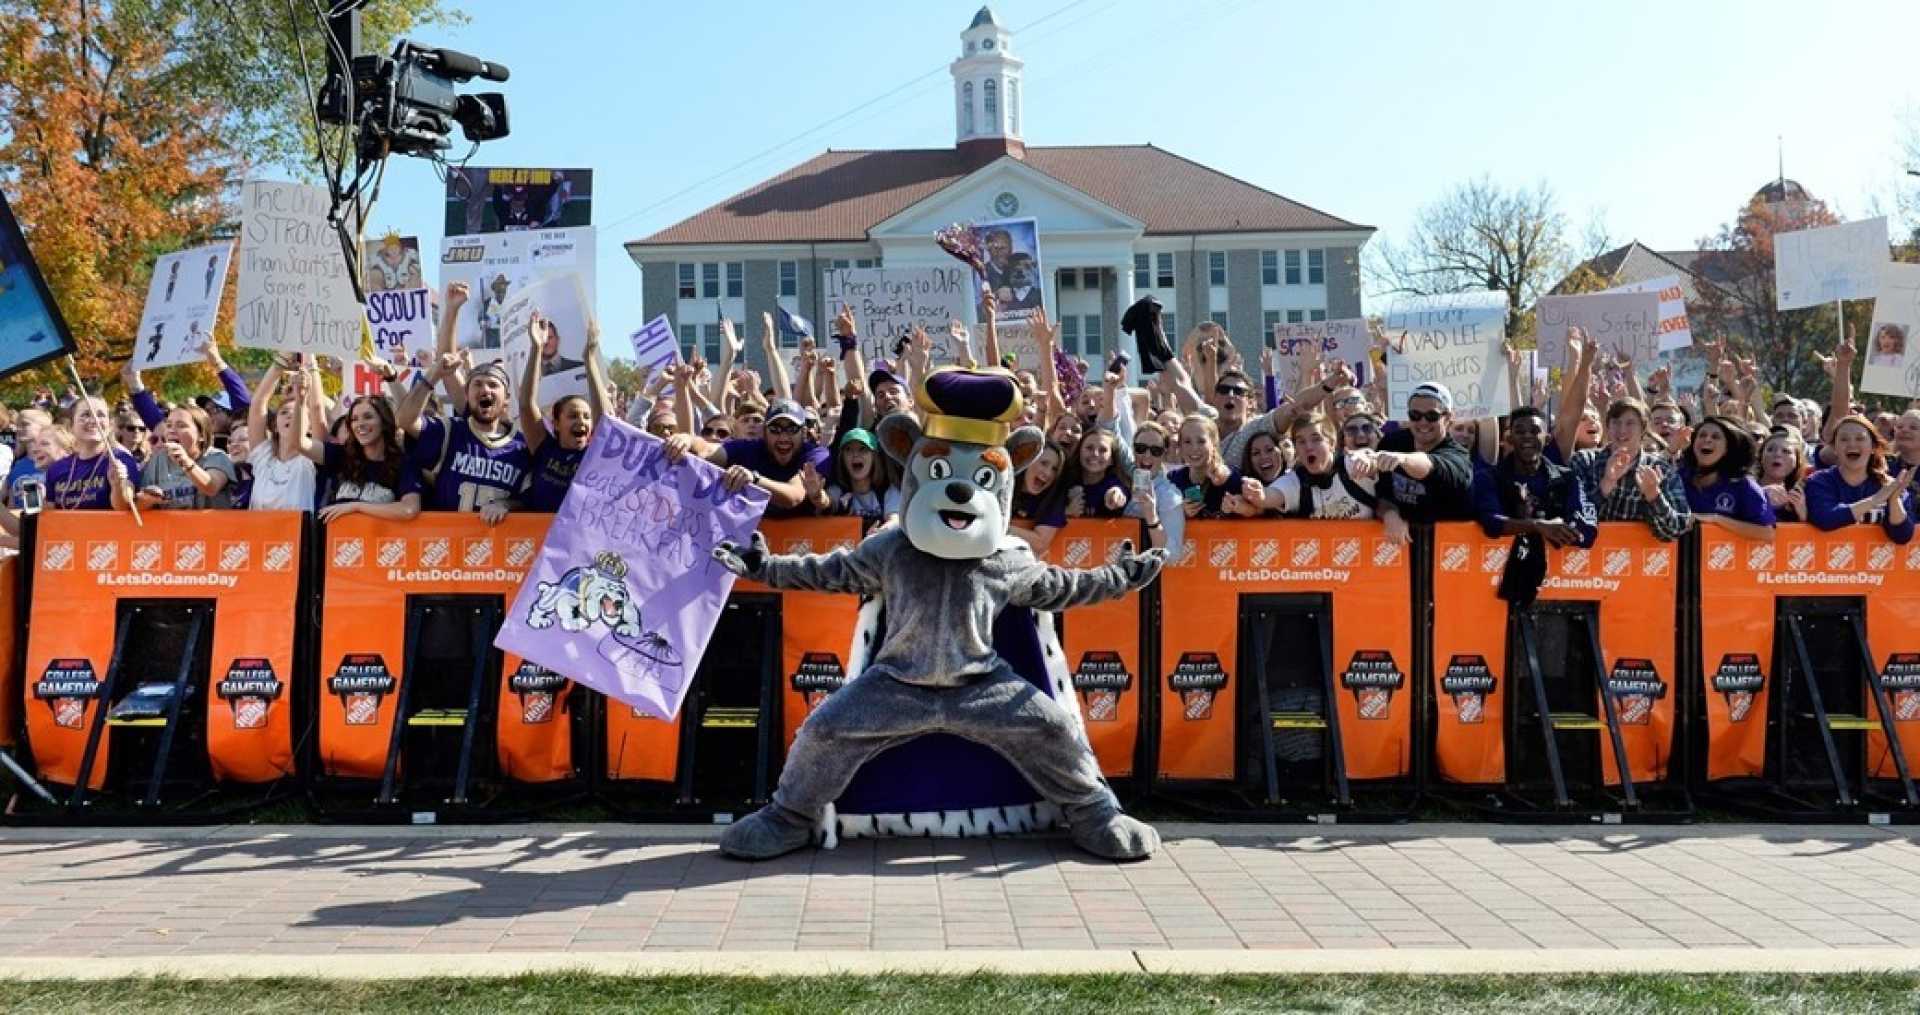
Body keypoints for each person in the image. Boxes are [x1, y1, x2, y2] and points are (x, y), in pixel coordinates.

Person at [399, 281, 531, 520]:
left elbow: (531, 500)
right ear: (467, 394)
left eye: (493, 385)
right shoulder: (450, 431)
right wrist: (451, 310)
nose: (485, 389)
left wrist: (508, 504)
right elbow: (405, 420)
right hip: (447, 550)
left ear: (506, 399)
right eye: (477, 384)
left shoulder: (522, 447)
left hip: (497, 554)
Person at [662, 398, 828, 519]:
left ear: (804, 433)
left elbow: (794, 496)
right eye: (775, 429)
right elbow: (708, 451)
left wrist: (753, 479)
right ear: (764, 432)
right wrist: (688, 440)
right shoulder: (749, 448)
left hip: (803, 547)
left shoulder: (816, 455)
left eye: (792, 429)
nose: (783, 437)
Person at [518, 310, 612, 513]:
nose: (582, 421)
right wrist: (537, 348)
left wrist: (589, 358)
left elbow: (606, 422)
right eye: (572, 416)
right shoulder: (544, 448)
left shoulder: (594, 454)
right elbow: (526, 405)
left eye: (587, 417)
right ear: (556, 423)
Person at [1567, 397, 1691, 541]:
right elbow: (1572, 519)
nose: (1622, 430)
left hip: (1640, 560)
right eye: (1616, 423)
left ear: (1643, 429)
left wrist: (1654, 496)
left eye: (1630, 423)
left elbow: (1676, 530)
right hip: (1586, 558)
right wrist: (1606, 484)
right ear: (1607, 427)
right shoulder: (1584, 461)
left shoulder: (1662, 470)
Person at [1472, 406, 1597, 548]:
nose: (1527, 436)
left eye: (1535, 431)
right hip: (1501, 568)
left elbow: (1586, 532)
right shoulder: (1489, 478)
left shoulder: (1568, 478)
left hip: (1553, 569)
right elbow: (1492, 522)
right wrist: (1538, 526)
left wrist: (1563, 529)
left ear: (1547, 439)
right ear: (1509, 438)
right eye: (1520, 432)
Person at [1353, 382, 1475, 524]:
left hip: (1447, 542)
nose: (1423, 422)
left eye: (1431, 416)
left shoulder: (1458, 456)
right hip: (1399, 541)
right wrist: (1390, 515)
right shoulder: (1393, 442)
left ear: (1448, 417)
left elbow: (1430, 465)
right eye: (1415, 415)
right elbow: (1383, 494)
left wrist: (1403, 459)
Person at [308, 395, 422, 523]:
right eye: (354, 419)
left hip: (380, 541)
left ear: (384, 422)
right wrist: (300, 400)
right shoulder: (342, 455)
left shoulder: (403, 463)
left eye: (368, 417)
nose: (360, 424)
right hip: (336, 541)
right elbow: (300, 443)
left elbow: (409, 509)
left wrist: (356, 506)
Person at [1248, 417, 1384, 521]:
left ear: (1332, 443)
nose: (1308, 447)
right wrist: (1259, 494)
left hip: (1369, 554)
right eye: (1301, 442)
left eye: (1316, 439)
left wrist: (1368, 460)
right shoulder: (1296, 482)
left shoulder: (1351, 465)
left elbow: (1369, 458)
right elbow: (1270, 495)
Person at [1804, 415, 1914, 542]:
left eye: (1860, 438)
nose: (1852, 444)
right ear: (1834, 448)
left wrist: (1894, 500)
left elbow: (1903, 536)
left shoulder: (1889, 485)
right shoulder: (1819, 481)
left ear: (1873, 447)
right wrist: (1875, 500)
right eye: (1844, 439)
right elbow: (1825, 518)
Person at [1678, 416, 1775, 539]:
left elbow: (1767, 533)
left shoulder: (1744, 485)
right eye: (1702, 435)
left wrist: (1716, 519)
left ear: (1727, 449)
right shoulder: (1679, 476)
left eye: (1716, 437)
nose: (1707, 439)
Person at [244, 357, 321, 512]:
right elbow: (258, 403)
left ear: (311, 427)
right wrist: (281, 361)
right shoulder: (263, 456)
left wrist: (310, 361)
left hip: (298, 536)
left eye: (297, 412)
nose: (289, 416)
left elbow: (317, 408)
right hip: (258, 535)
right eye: (284, 412)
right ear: (275, 426)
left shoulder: (310, 460)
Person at [44, 397, 140, 512]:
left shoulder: (120, 460)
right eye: (85, 415)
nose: (94, 420)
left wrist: (117, 486)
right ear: (71, 426)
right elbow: (50, 515)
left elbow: (125, 508)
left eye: (101, 415)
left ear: (110, 425)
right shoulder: (56, 468)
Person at [134, 403, 234, 510]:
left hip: (210, 526)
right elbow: (137, 507)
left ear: (201, 435)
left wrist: (185, 462)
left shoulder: (217, 457)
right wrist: (146, 501)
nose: (171, 430)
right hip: (170, 526)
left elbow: (211, 487)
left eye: (181, 426)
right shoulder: (157, 461)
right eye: (169, 425)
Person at [814, 428, 899, 523]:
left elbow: (893, 522)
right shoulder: (838, 491)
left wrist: (880, 533)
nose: (855, 454)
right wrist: (817, 496)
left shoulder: (889, 492)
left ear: (874, 457)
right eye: (848, 450)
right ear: (842, 459)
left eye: (862, 449)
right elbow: (827, 503)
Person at [1166, 416, 1240, 519]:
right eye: (1187, 442)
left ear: (1213, 443)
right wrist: (1180, 512)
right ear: (1180, 446)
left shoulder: (1232, 479)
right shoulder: (1173, 480)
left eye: (1201, 441)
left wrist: (1239, 507)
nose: (1194, 448)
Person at [1010, 441, 1070, 553]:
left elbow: (1040, 543)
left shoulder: (1054, 498)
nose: (1048, 473)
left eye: (1054, 469)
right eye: (1044, 463)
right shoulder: (1003, 484)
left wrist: (1000, 528)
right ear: (1028, 461)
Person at [1066, 429, 1131, 519]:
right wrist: (1067, 511)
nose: (1095, 454)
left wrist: (1116, 496)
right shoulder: (1065, 481)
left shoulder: (1114, 484)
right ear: (1079, 452)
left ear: (1112, 460)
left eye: (1103, 450)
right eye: (1089, 448)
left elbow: (1119, 493)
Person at [1756, 427, 1810, 523]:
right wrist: (1758, 496)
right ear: (1761, 457)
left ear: (1797, 461)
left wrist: (1803, 517)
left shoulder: (1804, 493)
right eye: (1770, 449)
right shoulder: (1744, 485)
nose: (1777, 454)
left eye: (1786, 451)